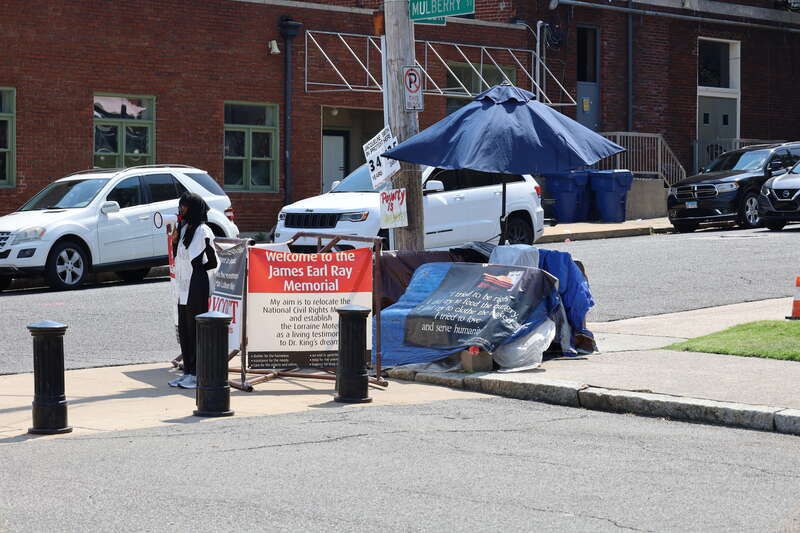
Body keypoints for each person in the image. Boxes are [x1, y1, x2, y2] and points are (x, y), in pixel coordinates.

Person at [169, 192, 218, 389]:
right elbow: (178, 256)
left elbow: (212, 261)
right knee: (184, 328)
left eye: (184, 206)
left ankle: (198, 373)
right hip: (183, 285)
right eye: (180, 205)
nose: (181, 209)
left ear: (194, 208)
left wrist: (198, 272)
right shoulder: (183, 228)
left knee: (195, 329)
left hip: (196, 284)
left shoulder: (203, 230)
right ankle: (188, 371)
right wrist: (174, 239)